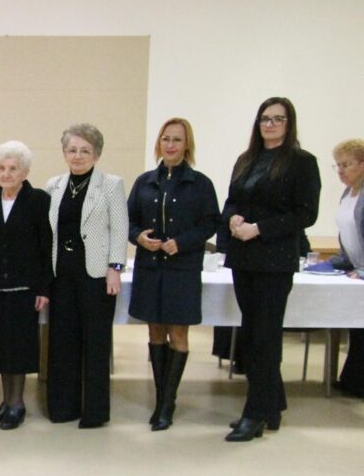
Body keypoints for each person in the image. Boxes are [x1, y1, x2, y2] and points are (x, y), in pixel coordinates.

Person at [222, 97, 321, 441]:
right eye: (265, 118)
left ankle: (254, 413)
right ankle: (271, 406)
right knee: (251, 334)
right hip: (243, 258)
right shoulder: (246, 160)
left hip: (274, 260)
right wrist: (233, 219)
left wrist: (259, 229)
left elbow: (305, 214)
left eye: (278, 119)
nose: (270, 124)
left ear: (289, 124)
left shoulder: (302, 162)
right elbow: (232, 201)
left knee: (264, 336)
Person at [127, 118, 219, 431]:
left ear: (186, 144)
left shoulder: (200, 184)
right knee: (155, 333)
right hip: (150, 268)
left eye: (177, 140)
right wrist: (139, 237)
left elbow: (210, 223)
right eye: (165, 139)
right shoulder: (145, 182)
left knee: (178, 334)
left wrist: (182, 242)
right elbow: (128, 221)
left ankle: (168, 403)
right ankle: (160, 399)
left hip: (182, 269)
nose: (170, 145)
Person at [45, 123, 128, 428]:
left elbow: (119, 229)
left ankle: (94, 412)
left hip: (96, 275)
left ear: (96, 154)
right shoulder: (54, 185)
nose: (78, 156)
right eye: (72, 150)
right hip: (61, 275)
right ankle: (63, 408)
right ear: (64, 153)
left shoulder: (111, 185)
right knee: (62, 342)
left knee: (95, 343)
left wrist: (115, 268)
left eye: (85, 151)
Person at [0, 141, 52, 430]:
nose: (6, 174)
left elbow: (46, 247)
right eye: (2, 168)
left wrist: (44, 288)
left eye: (13, 168)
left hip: (24, 289)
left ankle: (17, 404)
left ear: (25, 172)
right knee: (1, 349)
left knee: (19, 349)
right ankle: (7, 402)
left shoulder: (38, 200)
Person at [328, 139, 364, 396]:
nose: (340, 171)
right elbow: (348, 235)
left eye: (346, 165)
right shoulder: (348, 193)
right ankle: (353, 381)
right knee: (356, 327)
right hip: (355, 269)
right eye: (338, 165)